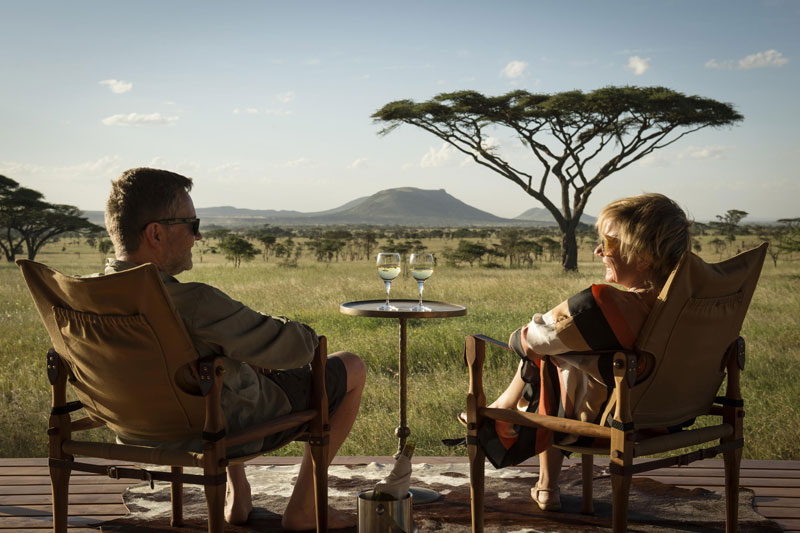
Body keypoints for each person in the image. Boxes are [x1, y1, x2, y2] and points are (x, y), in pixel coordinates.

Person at [103, 167, 366, 530]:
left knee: (217, 364)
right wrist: (290, 330)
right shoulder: (193, 302)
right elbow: (300, 349)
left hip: (130, 426)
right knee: (351, 366)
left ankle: (237, 493)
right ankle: (305, 507)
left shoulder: (84, 297)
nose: (197, 237)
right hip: (208, 428)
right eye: (192, 225)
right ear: (156, 233)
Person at [469, 193, 691, 512]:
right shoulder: (682, 308)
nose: (598, 251)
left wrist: (532, 340)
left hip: (614, 418)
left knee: (553, 357)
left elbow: (529, 339)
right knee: (565, 355)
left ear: (643, 256)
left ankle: (504, 418)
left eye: (609, 244)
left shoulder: (609, 307)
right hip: (673, 413)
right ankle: (537, 470)